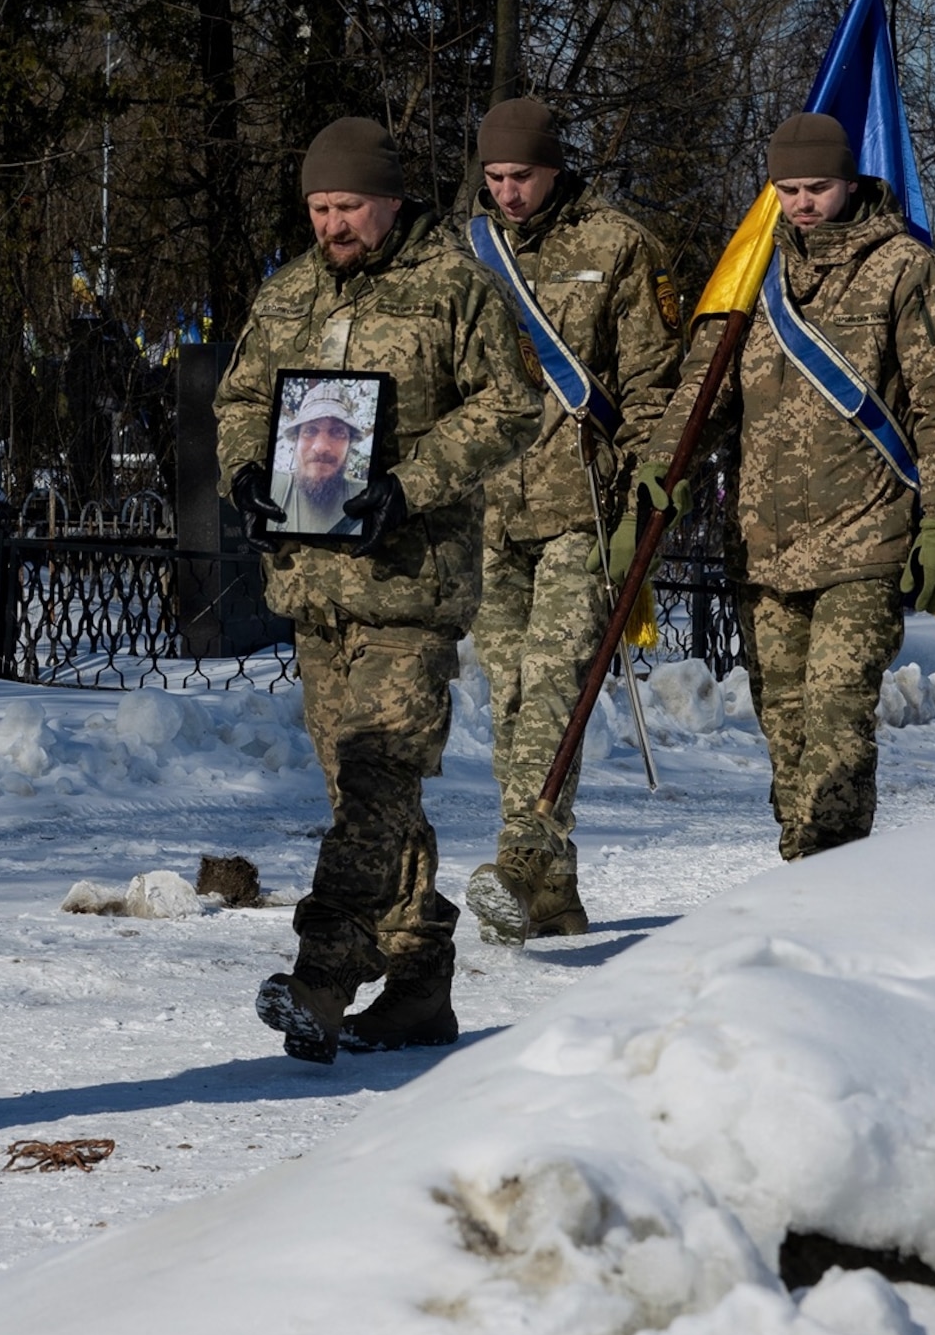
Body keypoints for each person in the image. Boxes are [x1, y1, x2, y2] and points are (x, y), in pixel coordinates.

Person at [214, 117, 537, 1061]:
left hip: (408, 586)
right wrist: (247, 471)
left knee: (374, 783)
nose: (332, 224)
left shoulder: (452, 289)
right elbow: (240, 398)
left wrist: (412, 482)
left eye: (348, 205)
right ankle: (421, 989)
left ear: (391, 198)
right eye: (318, 207)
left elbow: (511, 406)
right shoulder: (290, 294)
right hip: (315, 589)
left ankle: (321, 976)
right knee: (371, 802)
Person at [626, 112, 935, 859]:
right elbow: (704, 390)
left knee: (836, 725)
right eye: (787, 189)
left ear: (850, 181)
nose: (802, 203)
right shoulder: (753, 274)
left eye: (817, 186)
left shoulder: (904, 269)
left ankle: (826, 888)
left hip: (864, 540)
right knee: (786, 736)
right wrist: (665, 466)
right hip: (763, 547)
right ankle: (813, 883)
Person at [457, 97, 684, 942]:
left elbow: (656, 383)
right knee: (510, 698)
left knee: (556, 687)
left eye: (521, 175)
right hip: (488, 507)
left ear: (555, 167)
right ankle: (553, 891)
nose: (508, 192)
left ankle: (519, 858)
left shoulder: (619, 246)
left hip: (581, 505)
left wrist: (643, 494)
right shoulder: (463, 252)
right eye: (494, 176)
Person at [275, 382, 373, 535]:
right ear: (296, 440)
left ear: (350, 444)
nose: (321, 447)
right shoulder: (271, 490)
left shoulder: (369, 498)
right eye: (310, 430)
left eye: (337, 432)